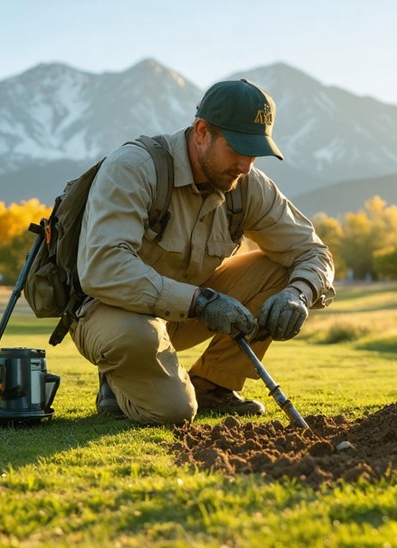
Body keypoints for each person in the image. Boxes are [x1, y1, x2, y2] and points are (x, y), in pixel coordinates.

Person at [70, 79, 335, 425]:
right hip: (110, 312)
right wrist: (201, 302)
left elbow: (314, 252)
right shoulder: (134, 168)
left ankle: (214, 384)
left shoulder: (248, 184)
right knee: (175, 411)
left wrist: (298, 295)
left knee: (284, 271)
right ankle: (119, 377)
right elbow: (104, 268)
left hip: (184, 313)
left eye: (254, 152)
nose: (246, 165)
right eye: (238, 149)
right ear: (201, 132)